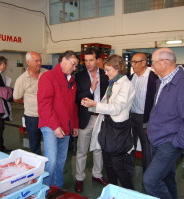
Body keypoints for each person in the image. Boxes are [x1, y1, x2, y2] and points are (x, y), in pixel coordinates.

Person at [143, 48, 184, 199]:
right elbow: (158, 109)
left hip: (169, 142)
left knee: (150, 181)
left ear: (164, 63)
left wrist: (176, 143)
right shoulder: (161, 82)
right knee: (167, 177)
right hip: (156, 139)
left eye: (153, 63)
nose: (151, 66)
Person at [81, 54, 135, 189]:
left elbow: (116, 108)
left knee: (118, 167)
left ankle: (130, 193)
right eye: (105, 70)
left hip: (118, 129)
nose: (105, 73)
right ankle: (113, 191)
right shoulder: (113, 83)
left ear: (117, 68)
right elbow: (106, 104)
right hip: (107, 127)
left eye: (108, 70)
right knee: (109, 165)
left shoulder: (126, 85)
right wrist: (91, 105)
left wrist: (95, 104)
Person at [38, 50, 79, 187]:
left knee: (61, 160)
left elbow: (72, 106)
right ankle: (45, 190)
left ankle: (57, 188)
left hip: (66, 126)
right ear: (64, 60)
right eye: (73, 65)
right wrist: (55, 126)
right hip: (51, 125)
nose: (74, 68)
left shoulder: (72, 81)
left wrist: (75, 125)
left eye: (75, 66)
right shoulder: (48, 77)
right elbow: (44, 105)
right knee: (51, 160)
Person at [74, 47, 109, 192]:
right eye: (86, 60)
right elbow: (76, 97)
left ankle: (97, 174)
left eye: (91, 60)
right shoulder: (80, 76)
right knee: (82, 150)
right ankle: (79, 178)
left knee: (98, 148)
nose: (88, 63)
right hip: (86, 117)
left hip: (100, 117)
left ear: (98, 60)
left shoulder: (105, 74)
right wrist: (90, 90)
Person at [13, 51, 47, 155]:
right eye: (36, 61)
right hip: (32, 116)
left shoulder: (47, 73)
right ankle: (38, 165)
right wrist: (28, 102)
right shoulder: (21, 80)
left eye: (40, 60)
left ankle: (50, 165)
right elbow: (16, 98)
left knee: (51, 141)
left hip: (47, 114)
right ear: (28, 62)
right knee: (34, 142)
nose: (39, 63)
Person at [129, 52, 158, 172]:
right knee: (130, 145)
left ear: (144, 63)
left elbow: (156, 102)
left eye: (136, 62)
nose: (133, 65)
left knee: (146, 147)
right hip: (131, 117)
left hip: (145, 119)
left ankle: (147, 173)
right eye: (132, 62)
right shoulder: (131, 78)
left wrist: (151, 121)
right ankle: (129, 169)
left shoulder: (153, 78)